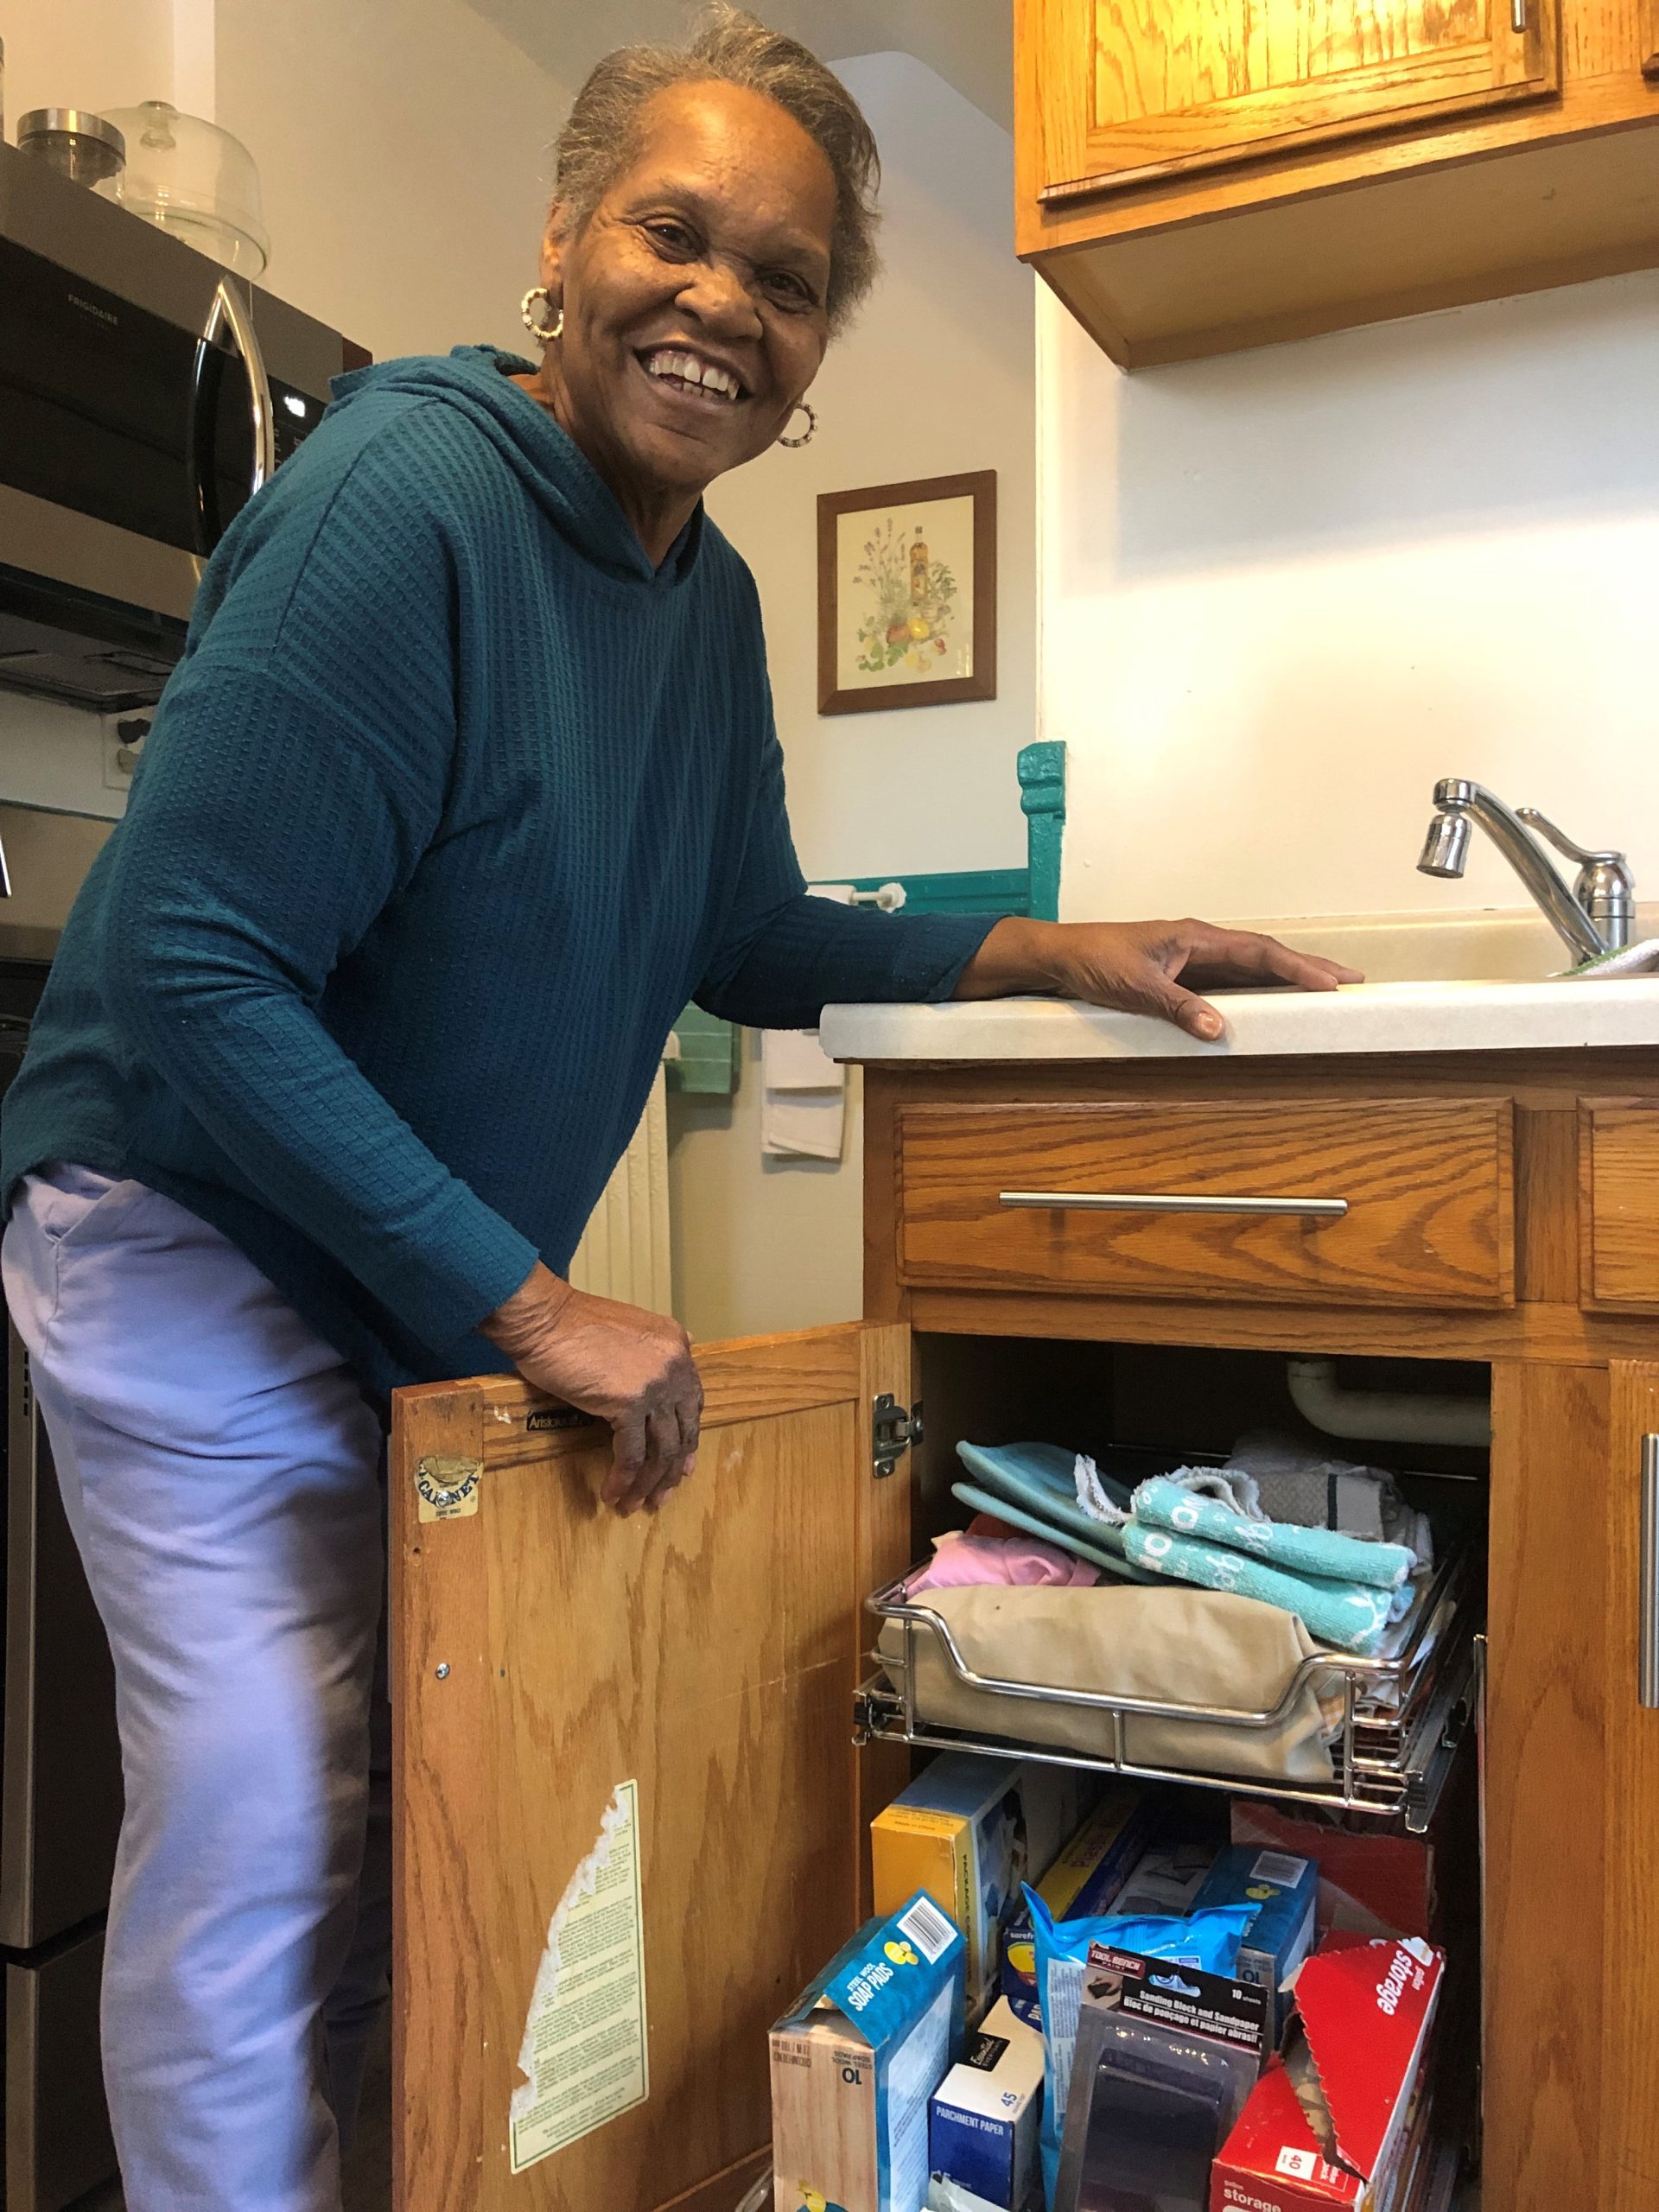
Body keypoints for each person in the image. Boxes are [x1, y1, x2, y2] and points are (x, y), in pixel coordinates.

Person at [0, 10, 1357, 2209]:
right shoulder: (406, 499)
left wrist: (1052, 950)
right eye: (677, 233)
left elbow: (743, 924)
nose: (724, 303)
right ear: (562, 242)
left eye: (788, 276)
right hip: (192, 1229)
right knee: (271, 1808)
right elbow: (184, 968)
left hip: (392, 1263)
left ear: (814, 347)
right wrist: (532, 1306)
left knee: (404, 1806)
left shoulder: (702, 597)